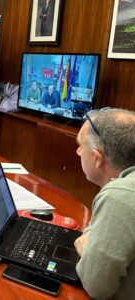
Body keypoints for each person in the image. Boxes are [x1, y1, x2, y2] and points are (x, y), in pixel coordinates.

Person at [74, 108, 135, 299]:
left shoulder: (120, 196)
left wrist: (89, 242)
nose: (77, 151)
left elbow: (96, 286)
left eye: (80, 146)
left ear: (97, 158)